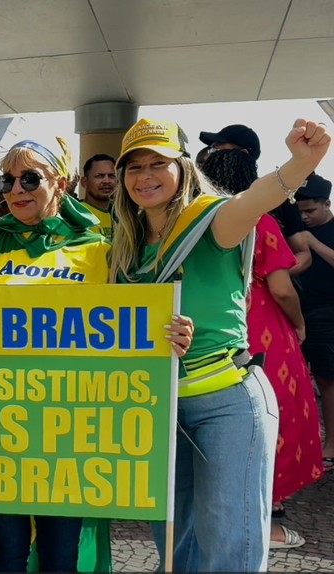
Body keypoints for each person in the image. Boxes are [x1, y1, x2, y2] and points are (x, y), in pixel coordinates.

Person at [0, 137, 192, 573]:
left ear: (60, 181)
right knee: (8, 555)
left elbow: (133, 320)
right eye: (7, 180)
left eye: (30, 178)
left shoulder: (102, 245)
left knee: (62, 559)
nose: (16, 189)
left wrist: (171, 331)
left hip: (70, 427)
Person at [109, 117, 330, 572]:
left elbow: (253, 201)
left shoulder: (211, 221)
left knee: (229, 545)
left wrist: (299, 164)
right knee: (174, 544)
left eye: (158, 163)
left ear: (183, 168)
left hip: (225, 399)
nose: (145, 176)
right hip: (160, 406)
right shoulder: (125, 244)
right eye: (134, 167)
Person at [201, 133, 321, 548]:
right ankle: (264, 517)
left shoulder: (190, 219)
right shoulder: (261, 219)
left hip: (208, 332)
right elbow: (283, 288)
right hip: (262, 328)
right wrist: (300, 324)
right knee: (270, 421)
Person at [200, 124, 312, 274]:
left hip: (263, 294)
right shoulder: (197, 196)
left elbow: (303, 254)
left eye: (216, 149)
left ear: (243, 153)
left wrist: (267, 277)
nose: (208, 156)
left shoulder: (277, 197)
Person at [295, 174, 334, 471]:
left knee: (327, 378)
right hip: (301, 310)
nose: (305, 217)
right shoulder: (297, 230)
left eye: (310, 211)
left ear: (327, 204)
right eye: (301, 212)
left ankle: (330, 443)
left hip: (327, 311)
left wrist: (313, 244)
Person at [79, 153, 116, 238]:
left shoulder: (120, 218)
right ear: (84, 182)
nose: (107, 181)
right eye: (100, 176)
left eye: (111, 176)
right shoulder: (77, 216)